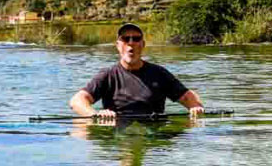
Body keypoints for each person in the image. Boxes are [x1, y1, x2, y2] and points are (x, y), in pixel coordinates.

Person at [69, 23, 205, 119]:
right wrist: (95, 115)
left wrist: (195, 108)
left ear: (143, 44)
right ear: (118, 45)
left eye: (136, 38)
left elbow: (188, 96)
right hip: (118, 132)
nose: (131, 43)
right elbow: (77, 101)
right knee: (80, 130)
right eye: (125, 39)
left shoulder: (159, 73)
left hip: (154, 134)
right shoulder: (108, 75)